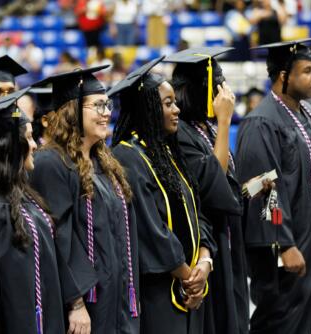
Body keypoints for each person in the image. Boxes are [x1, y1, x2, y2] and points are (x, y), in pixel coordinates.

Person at [236, 38, 311, 334]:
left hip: (310, 243)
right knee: (278, 323)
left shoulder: (307, 114)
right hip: (284, 251)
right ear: (284, 76)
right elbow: (262, 191)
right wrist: (283, 244)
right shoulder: (261, 123)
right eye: (306, 71)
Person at [30, 65, 140, 334]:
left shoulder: (104, 163)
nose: (106, 114)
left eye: (108, 105)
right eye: (98, 106)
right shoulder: (51, 162)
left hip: (116, 301)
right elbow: (59, 238)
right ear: (72, 111)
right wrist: (76, 302)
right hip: (86, 306)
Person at [0, 88, 81, 333]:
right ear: (11, 146)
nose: (35, 144)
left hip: (47, 317)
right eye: (28, 138)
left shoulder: (23, 190)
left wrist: (75, 303)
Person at [110, 58, 215, 334]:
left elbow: (196, 212)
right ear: (149, 108)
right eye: (168, 103)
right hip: (160, 292)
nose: (176, 109)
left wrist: (204, 261)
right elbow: (149, 229)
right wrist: (187, 275)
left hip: (191, 286)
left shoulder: (166, 151)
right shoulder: (127, 156)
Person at [166, 46, 249, 334]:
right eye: (218, 85)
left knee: (235, 311)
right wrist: (225, 121)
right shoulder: (182, 133)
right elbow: (212, 181)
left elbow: (225, 179)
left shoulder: (205, 128)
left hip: (226, 234)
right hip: (205, 239)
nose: (224, 93)